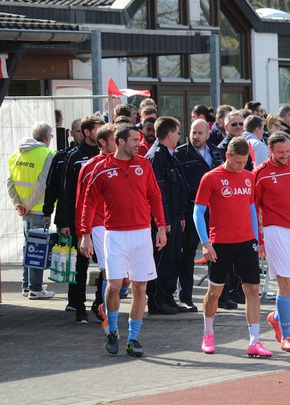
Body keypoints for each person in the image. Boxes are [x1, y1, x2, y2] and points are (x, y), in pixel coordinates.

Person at [79, 124, 167, 357]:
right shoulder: (101, 169)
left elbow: (155, 196)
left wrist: (161, 227)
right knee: (114, 286)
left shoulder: (144, 165)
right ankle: (112, 330)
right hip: (115, 235)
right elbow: (89, 203)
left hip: (142, 234)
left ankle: (133, 338)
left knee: (140, 287)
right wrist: (85, 234)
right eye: (135, 140)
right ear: (120, 142)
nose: (139, 144)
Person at [193, 137, 272, 358]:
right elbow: (198, 211)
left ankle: (254, 341)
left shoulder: (249, 177)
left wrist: (257, 240)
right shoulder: (211, 178)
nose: (241, 166)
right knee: (215, 291)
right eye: (237, 162)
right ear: (228, 156)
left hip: (246, 242)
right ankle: (208, 334)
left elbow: (251, 209)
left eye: (245, 162)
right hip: (220, 243)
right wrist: (205, 243)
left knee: (252, 290)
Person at [254, 131, 290, 353]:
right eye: (280, 152)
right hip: (274, 231)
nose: (285, 155)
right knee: (285, 284)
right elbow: (253, 208)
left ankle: (277, 318)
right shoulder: (260, 173)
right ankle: (287, 335)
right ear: (270, 150)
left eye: (287, 151)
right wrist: (260, 240)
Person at [175, 119, 225, 311]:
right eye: (193, 132)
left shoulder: (216, 152)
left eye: (200, 133)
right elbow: (179, 187)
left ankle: (220, 296)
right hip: (192, 210)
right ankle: (185, 297)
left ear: (208, 134)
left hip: (216, 211)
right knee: (188, 254)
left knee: (219, 252)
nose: (195, 136)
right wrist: (181, 213)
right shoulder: (181, 154)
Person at [59, 115, 104, 323]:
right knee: (80, 265)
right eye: (97, 129)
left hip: (101, 220)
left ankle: (99, 304)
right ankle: (78, 307)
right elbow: (66, 190)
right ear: (87, 132)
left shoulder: (105, 155)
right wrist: (63, 222)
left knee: (105, 265)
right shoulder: (74, 156)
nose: (101, 132)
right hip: (78, 218)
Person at [75, 123, 118, 329]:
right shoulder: (91, 166)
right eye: (114, 140)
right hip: (98, 225)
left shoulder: (124, 162)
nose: (119, 144)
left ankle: (99, 305)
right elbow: (82, 201)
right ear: (103, 143)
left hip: (118, 225)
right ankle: (93, 309)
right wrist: (82, 233)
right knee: (106, 271)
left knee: (117, 275)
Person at [146, 116, 191, 314]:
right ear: (170, 134)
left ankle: (168, 297)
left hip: (173, 216)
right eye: (178, 133)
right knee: (162, 260)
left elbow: (177, 188)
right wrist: (162, 222)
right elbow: (158, 192)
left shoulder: (168, 154)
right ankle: (158, 300)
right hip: (163, 219)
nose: (179, 137)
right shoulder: (156, 156)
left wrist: (179, 215)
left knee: (173, 258)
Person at [7, 122, 56, 300]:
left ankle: (27, 285)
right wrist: (28, 204)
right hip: (38, 210)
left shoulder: (16, 154)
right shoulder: (47, 154)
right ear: (47, 137)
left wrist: (18, 204)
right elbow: (42, 185)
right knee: (37, 249)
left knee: (28, 247)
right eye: (51, 136)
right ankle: (35, 288)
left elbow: (10, 183)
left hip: (24, 211)